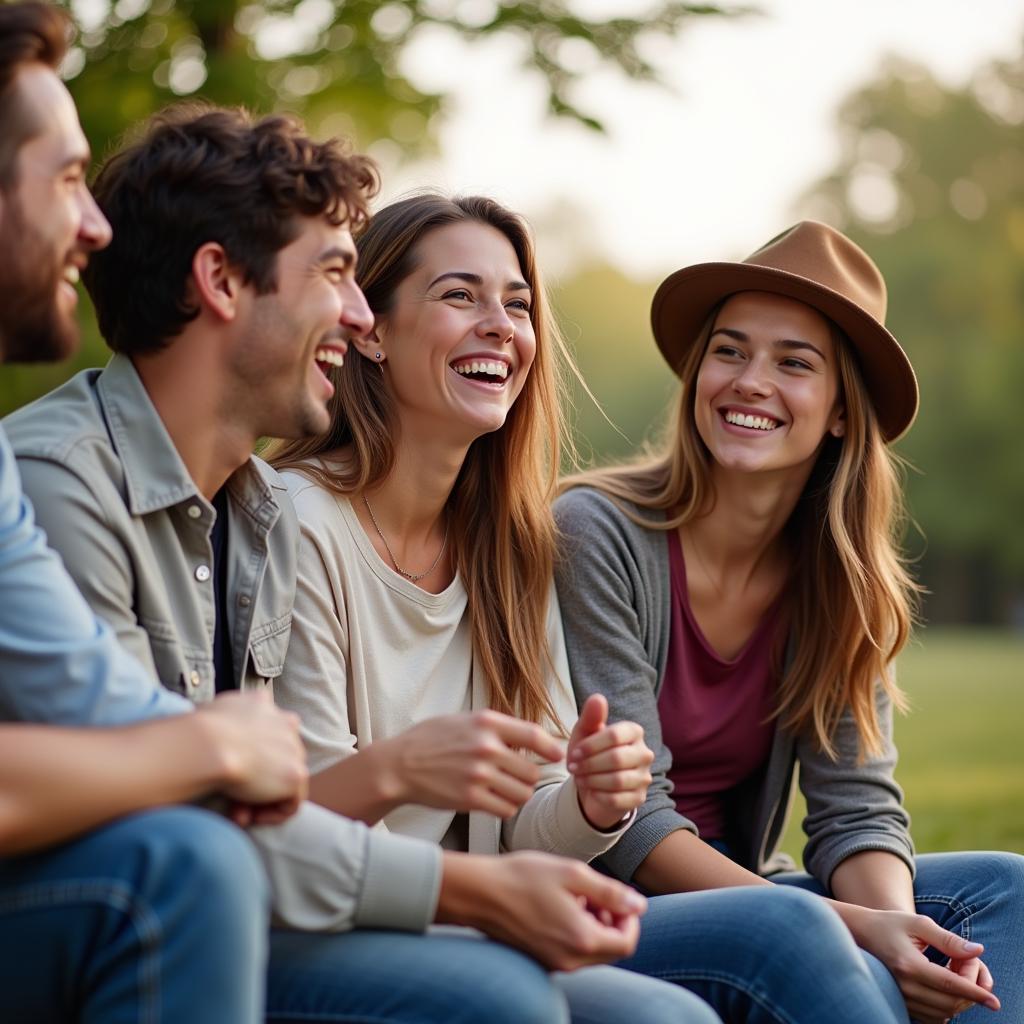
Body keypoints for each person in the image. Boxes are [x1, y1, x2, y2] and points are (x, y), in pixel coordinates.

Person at [7, 103, 661, 1024]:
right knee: (503, 1001)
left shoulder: (258, 510)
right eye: (336, 275)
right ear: (221, 281)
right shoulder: (62, 483)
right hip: (124, 915)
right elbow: (175, 816)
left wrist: (576, 815)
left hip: (245, 893)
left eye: (516, 303)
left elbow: (245, 801)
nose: (356, 319)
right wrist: (461, 882)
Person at [268, 192, 919, 1024]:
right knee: (763, 950)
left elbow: (540, 816)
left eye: (518, 304)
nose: (500, 324)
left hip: (495, 910)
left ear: (840, 413)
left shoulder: (506, 549)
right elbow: (296, 814)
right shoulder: (298, 523)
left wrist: (586, 801)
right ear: (370, 328)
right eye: (460, 295)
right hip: (380, 920)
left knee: (999, 890)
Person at [554, 220, 1024, 1024]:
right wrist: (860, 931)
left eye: (794, 363)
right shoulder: (594, 530)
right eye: (729, 351)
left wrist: (897, 928)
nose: (749, 380)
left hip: (757, 895)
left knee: (1003, 890)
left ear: (842, 412)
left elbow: (858, 808)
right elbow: (630, 828)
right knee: (805, 930)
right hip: (605, 905)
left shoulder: (839, 582)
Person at [0, 4, 308, 1021]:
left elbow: (100, 704)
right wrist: (215, 748)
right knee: (184, 865)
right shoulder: (53, 466)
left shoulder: (267, 509)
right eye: (67, 178)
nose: (94, 225)